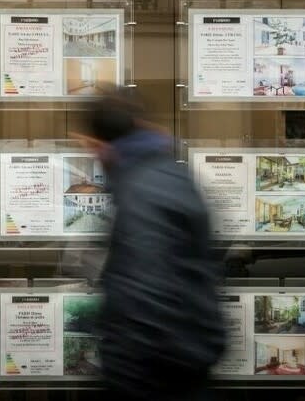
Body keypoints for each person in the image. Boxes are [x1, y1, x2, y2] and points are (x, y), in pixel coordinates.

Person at [78, 90, 226, 401]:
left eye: (91, 146)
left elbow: (145, 290)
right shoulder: (171, 174)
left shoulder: (140, 191)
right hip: (185, 362)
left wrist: (122, 368)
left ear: (101, 145)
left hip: (155, 374)